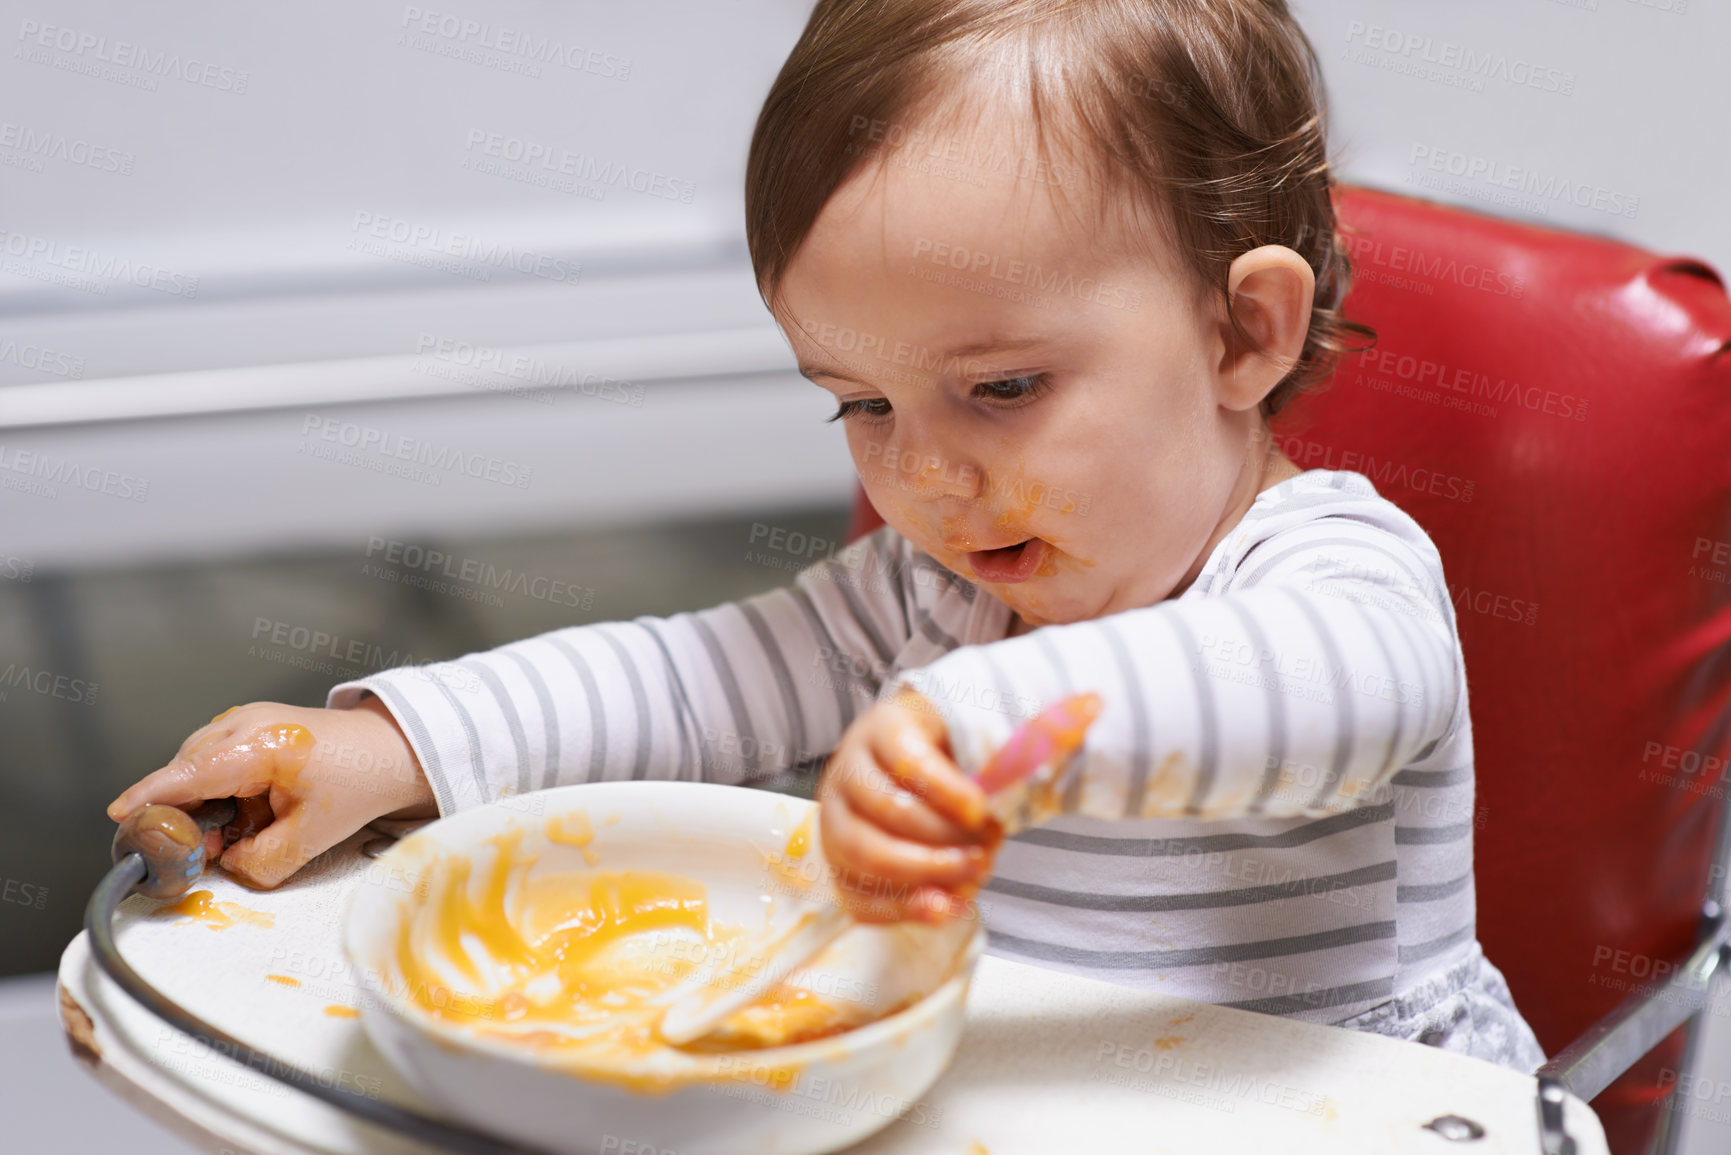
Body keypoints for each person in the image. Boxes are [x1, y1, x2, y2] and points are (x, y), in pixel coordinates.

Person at [108, 0, 1545, 1072]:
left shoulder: (1340, 578)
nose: (922, 473)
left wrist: (982, 724)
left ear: (1243, 331)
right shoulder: (931, 599)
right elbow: (685, 683)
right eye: (857, 402)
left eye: (1003, 389)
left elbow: (1311, 701)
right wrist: (389, 749)